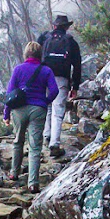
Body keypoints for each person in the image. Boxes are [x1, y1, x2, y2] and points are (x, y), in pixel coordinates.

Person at [3, 41, 59, 194]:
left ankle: (14, 173)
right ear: (40, 55)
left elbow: (10, 93)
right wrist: (44, 102)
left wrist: (6, 114)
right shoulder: (46, 70)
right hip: (38, 109)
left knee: (18, 141)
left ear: (26, 54)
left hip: (19, 110)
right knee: (35, 147)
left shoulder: (18, 69)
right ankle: (33, 183)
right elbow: (54, 90)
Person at [37, 15, 81, 159]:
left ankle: (46, 136)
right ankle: (54, 144)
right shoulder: (70, 41)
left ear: (54, 26)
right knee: (58, 109)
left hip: (44, 76)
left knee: (48, 106)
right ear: (66, 27)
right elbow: (77, 65)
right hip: (61, 78)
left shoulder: (44, 38)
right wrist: (75, 86)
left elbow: (35, 55)